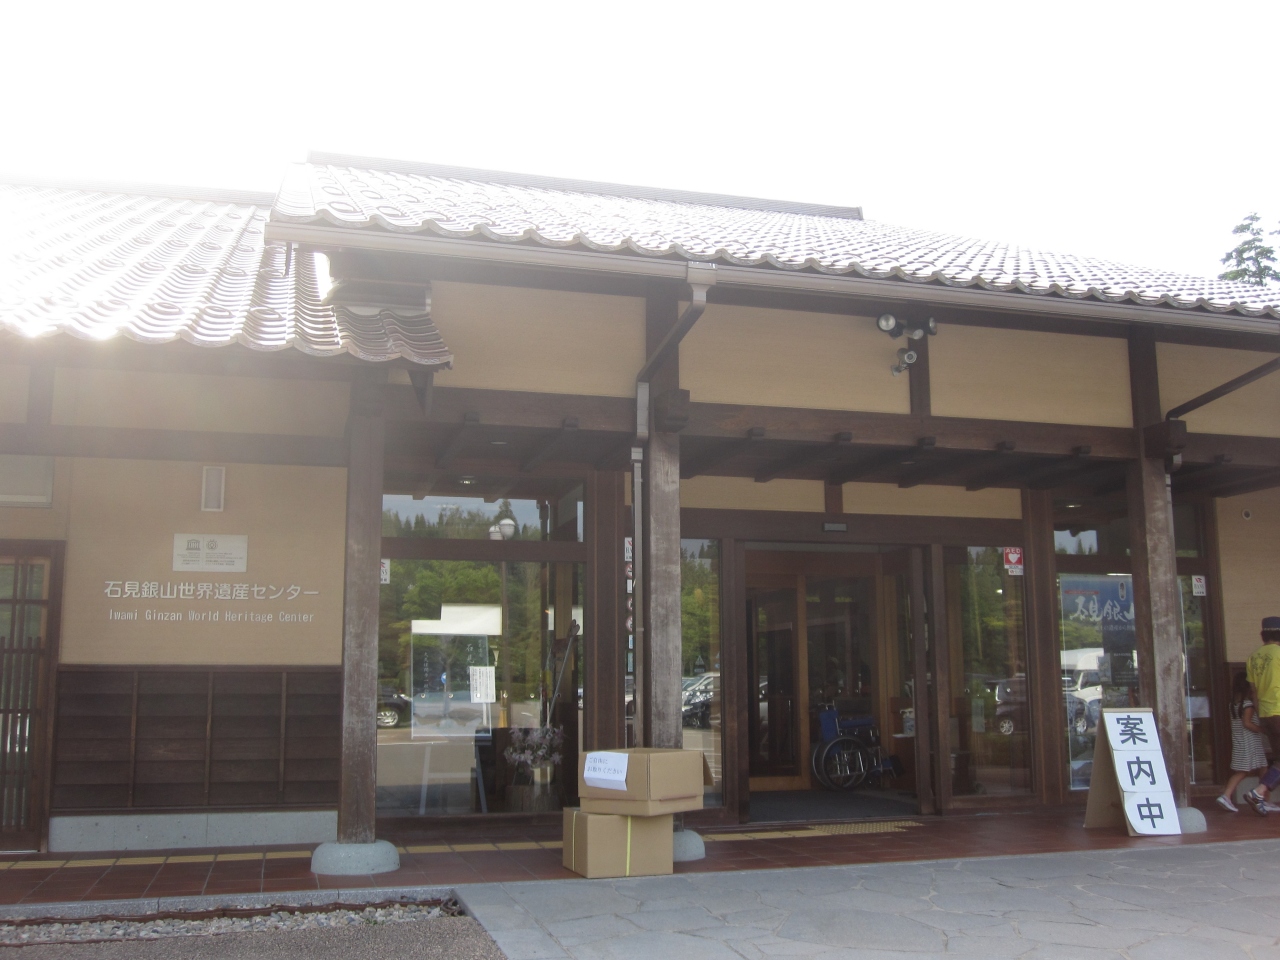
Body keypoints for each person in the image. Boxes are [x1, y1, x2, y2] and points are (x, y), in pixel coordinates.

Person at [1243, 617, 1280, 816]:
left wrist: (1260, 714)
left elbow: (1254, 691)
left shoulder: (1253, 657)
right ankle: (1258, 792)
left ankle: (1259, 792)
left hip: (1266, 714)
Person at [1217, 671, 1267, 812]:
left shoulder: (1234, 704)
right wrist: (1263, 729)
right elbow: (1247, 723)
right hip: (1249, 742)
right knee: (1243, 771)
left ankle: (1262, 798)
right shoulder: (1248, 704)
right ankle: (1226, 795)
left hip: (1240, 740)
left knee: (1262, 767)